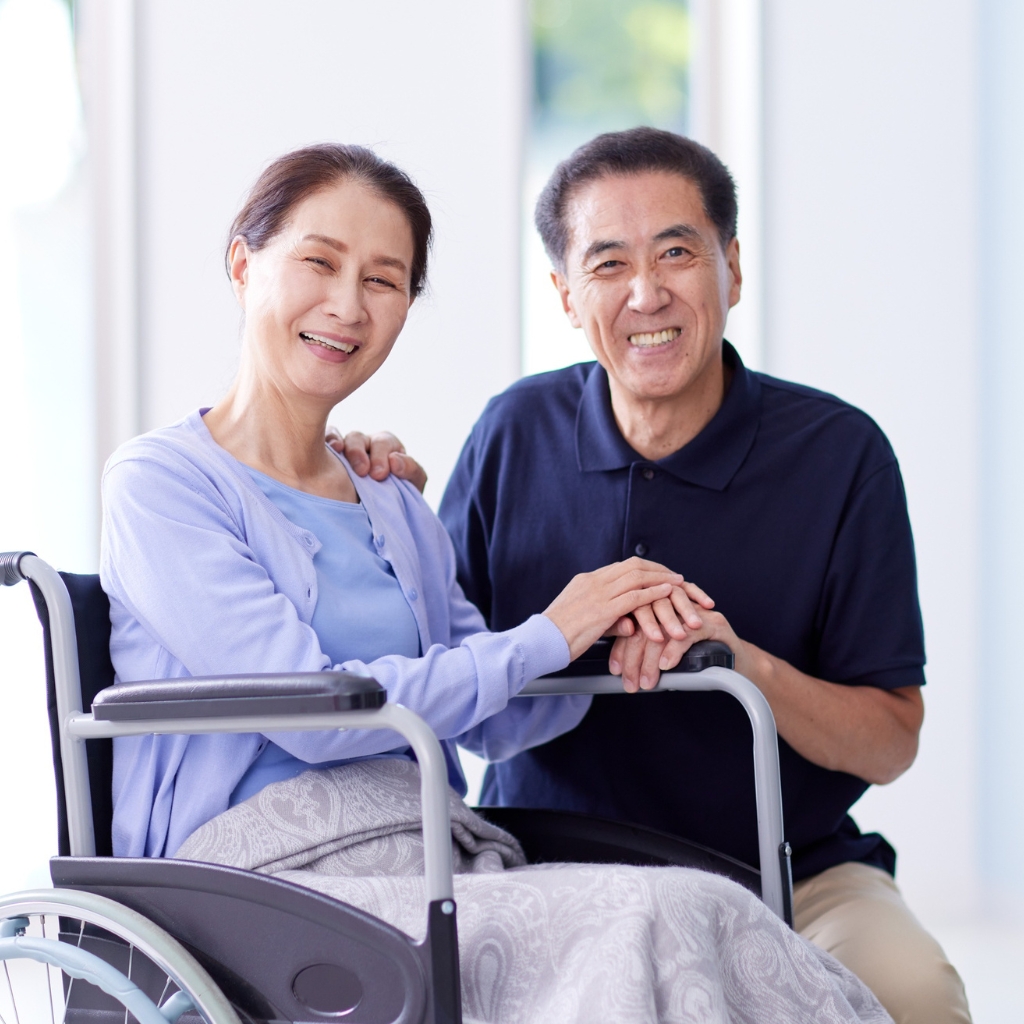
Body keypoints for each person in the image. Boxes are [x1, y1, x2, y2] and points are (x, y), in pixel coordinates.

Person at [100, 143, 891, 1024]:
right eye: (320, 262)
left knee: (704, 909)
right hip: (256, 876)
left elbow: (500, 714)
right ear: (245, 265)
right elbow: (311, 715)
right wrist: (553, 628)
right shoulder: (160, 485)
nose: (347, 305)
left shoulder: (390, 499)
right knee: (655, 916)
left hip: (421, 846)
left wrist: (610, 633)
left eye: (385, 280)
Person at [342, 128, 971, 1024]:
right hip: (550, 864)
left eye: (678, 252)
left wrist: (738, 663)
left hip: (792, 871)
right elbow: (447, 690)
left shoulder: (841, 455)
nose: (648, 293)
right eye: (608, 264)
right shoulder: (512, 434)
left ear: (733, 270)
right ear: (565, 294)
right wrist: (364, 490)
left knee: (916, 997)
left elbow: (890, 740)